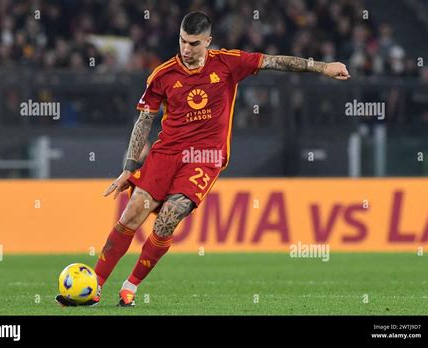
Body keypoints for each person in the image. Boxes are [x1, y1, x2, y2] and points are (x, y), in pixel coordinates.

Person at [56, 11, 350, 307]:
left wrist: (322, 67)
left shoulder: (229, 63)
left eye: (194, 43)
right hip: (166, 152)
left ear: (208, 41)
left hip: (204, 157)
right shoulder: (162, 75)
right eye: (183, 41)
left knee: (169, 217)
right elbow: (144, 121)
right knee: (132, 213)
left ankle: (130, 286)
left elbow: (275, 62)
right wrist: (129, 167)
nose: (186, 48)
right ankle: (93, 288)